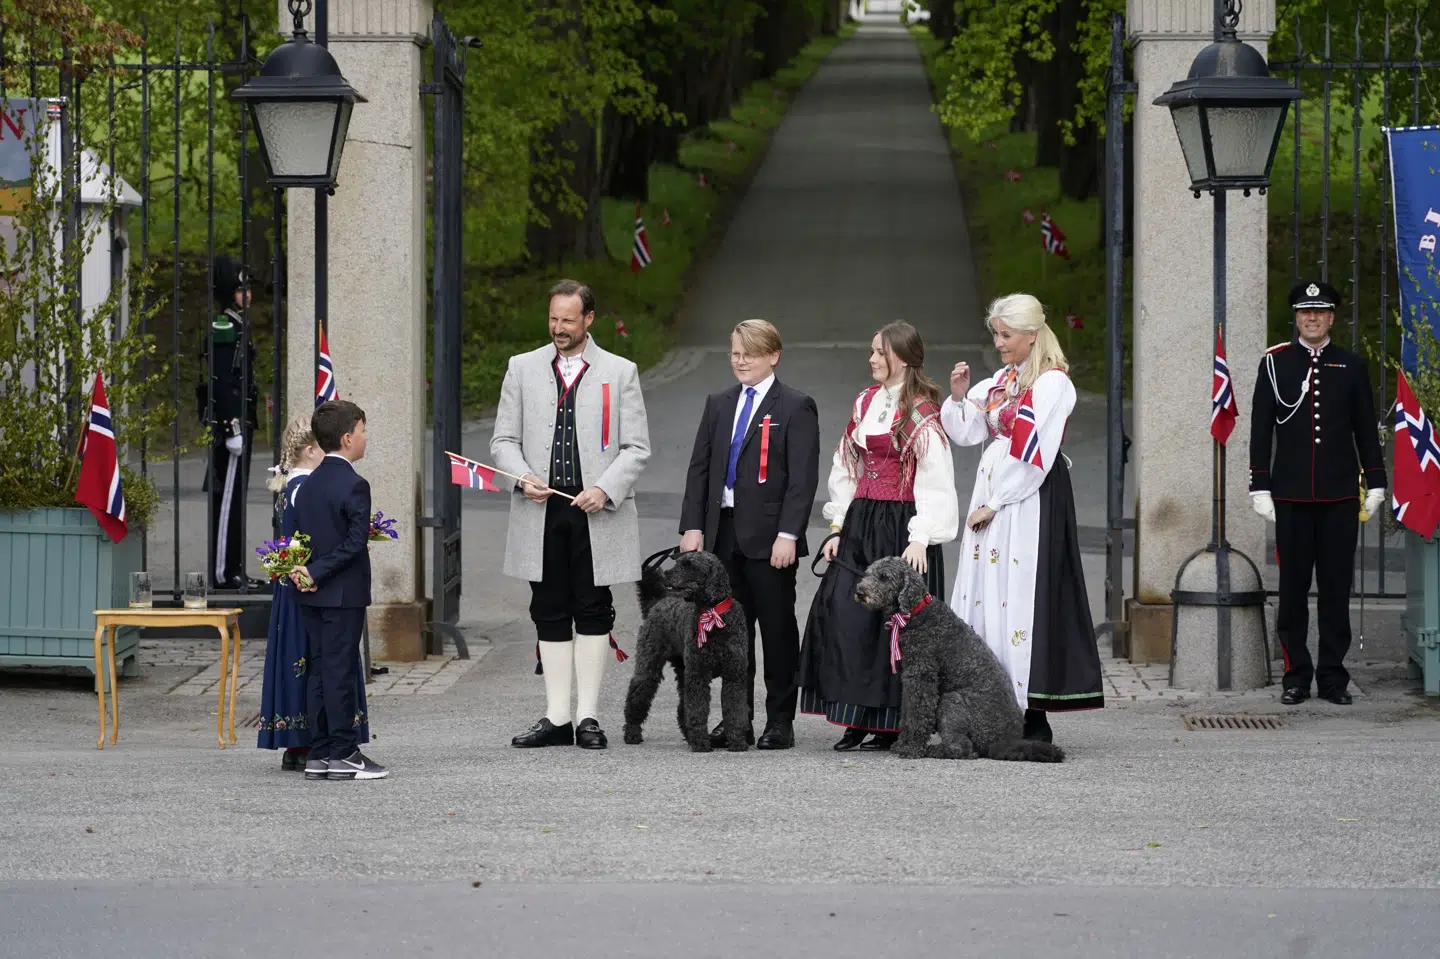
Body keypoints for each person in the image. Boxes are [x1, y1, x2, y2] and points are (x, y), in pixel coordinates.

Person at [491, 279, 652, 750]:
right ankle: (557, 716)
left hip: (596, 512)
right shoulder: (521, 369)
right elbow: (503, 441)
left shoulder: (620, 372)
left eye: (568, 319)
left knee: (593, 608)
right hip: (540, 510)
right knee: (549, 609)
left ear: (589, 320)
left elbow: (636, 447)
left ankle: (588, 717)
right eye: (553, 319)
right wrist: (521, 477)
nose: (559, 328)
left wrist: (605, 488)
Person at [941, 294, 1104, 745]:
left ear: (1032, 334)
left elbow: (1034, 453)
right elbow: (970, 430)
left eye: (1006, 334)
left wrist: (997, 500)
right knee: (986, 593)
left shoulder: (1051, 384)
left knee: (1019, 594)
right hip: (995, 487)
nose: (998, 343)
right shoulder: (1003, 380)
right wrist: (958, 399)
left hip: (1027, 497)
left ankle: (1030, 711)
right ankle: (988, 703)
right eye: (995, 333)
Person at [797, 321, 959, 751]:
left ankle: (891, 723)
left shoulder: (920, 413)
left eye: (878, 352)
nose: (870, 359)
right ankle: (855, 715)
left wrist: (921, 536)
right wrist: (836, 526)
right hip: (861, 522)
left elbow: (935, 481)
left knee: (892, 628)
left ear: (901, 358)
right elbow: (846, 466)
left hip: (902, 527)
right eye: (871, 351)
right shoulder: (865, 401)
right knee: (845, 616)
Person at [679, 319, 820, 750]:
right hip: (722, 539)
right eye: (735, 353)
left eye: (750, 353)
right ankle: (736, 720)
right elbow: (699, 469)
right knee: (729, 635)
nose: (740, 361)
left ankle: (780, 721)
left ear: (773, 355)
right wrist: (693, 526)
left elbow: (802, 479)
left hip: (770, 541)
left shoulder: (795, 405)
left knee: (776, 631)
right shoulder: (718, 403)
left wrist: (789, 534)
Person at [1249, 280, 1387, 706]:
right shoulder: (1276, 364)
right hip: (1290, 496)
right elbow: (1260, 429)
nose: (1312, 318)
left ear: (1331, 318)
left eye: (1320, 312)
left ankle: (1332, 677)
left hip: (1339, 497)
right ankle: (1295, 676)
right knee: (1291, 591)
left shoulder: (1350, 365)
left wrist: (1377, 480)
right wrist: (1260, 485)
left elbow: (1365, 427)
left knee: (1335, 591)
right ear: (1296, 318)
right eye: (1305, 312)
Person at [256, 416, 370, 771]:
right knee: (329, 666)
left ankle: (317, 748)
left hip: (306, 580)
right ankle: (330, 747)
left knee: (320, 667)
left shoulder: (299, 484)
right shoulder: (315, 485)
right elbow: (335, 540)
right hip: (316, 583)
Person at [288, 400, 387, 781]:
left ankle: (320, 751)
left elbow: (299, 536)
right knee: (341, 670)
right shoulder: (354, 484)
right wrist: (316, 571)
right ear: (347, 438)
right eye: (362, 431)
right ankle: (345, 752)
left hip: (311, 593)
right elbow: (353, 543)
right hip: (342, 592)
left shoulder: (308, 482)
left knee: (318, 670)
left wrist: (303, 571)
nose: (365, 438)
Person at [198, 254, 262, 591]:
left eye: (248, 287)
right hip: (231, 427)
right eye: (240, 288)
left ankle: (235, 567)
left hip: (242, 422)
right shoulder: (223, 327)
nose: (247, 293)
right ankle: (224, 572)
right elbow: (221, 383)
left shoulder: (238, 325)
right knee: (227, 503)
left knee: (237, 500)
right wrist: (231, 427)